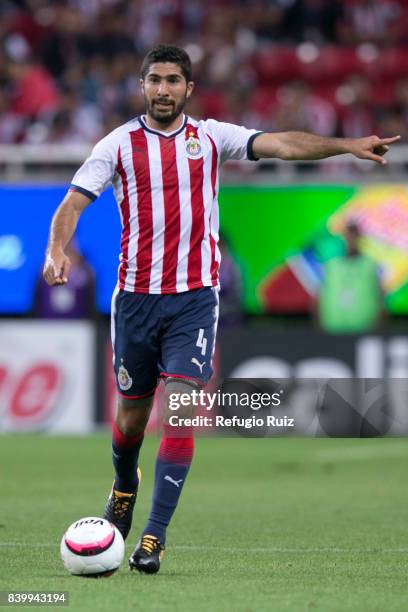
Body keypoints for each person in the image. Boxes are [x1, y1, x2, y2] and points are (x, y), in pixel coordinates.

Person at [42, 44, 400, 575]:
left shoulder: (210, 137)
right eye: (154, 80)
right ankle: (123, 485)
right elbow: (72, 203)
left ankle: (153, 538)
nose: (163, 89)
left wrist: (347, 145)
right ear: (142, 87)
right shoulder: (116, 146)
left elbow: (282, 143)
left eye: (172, 80)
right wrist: (55, 249)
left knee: (181, 411)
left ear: (189, 88)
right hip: (136, 301)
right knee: (131, 419)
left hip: (194, 300)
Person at [317, 220, 384, 333]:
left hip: (364, 331)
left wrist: (377, 328)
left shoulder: (370, 265)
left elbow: (381, 298)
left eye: (354, 235)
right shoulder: (331, 266)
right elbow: (318, 298)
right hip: (333, 332)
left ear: (360, 237)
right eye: (348, 235)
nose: (351, 239)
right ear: (344, 237)